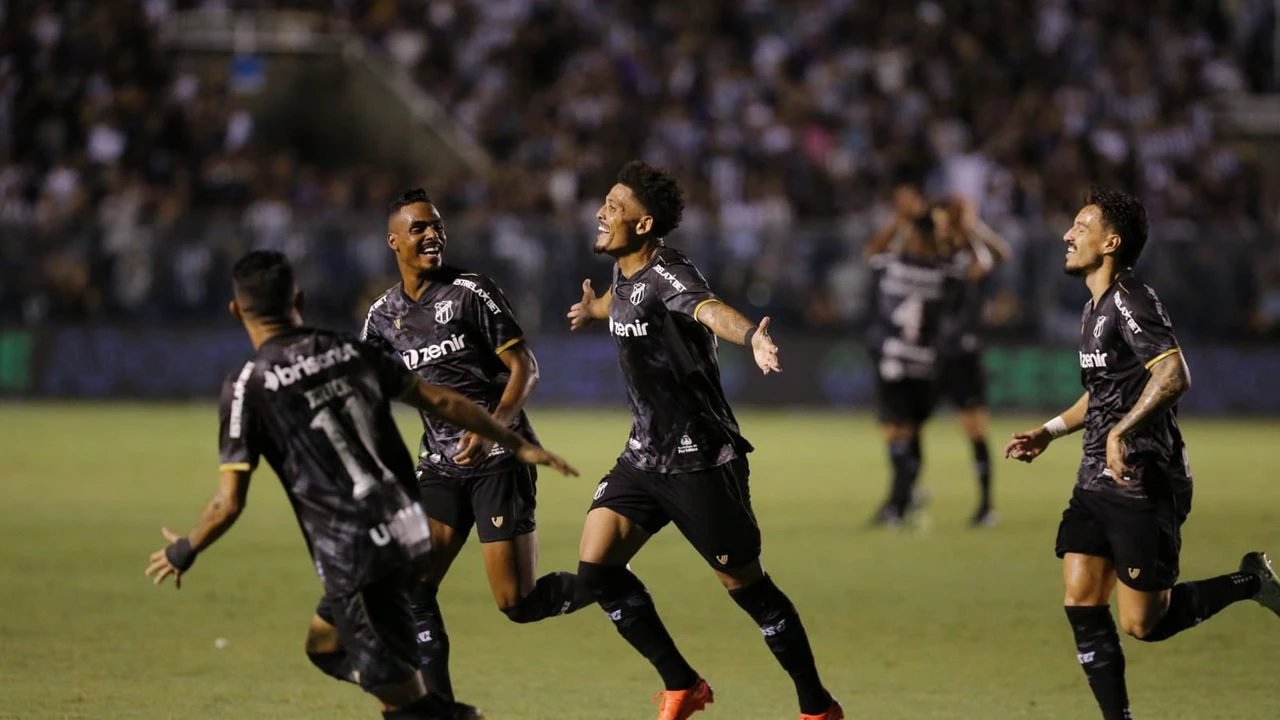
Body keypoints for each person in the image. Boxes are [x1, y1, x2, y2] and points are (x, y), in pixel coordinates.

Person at [144, 251, 578, 719]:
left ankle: (441, 709)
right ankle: (426, 698)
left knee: (395, 690)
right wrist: (515, 441)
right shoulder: (350, 350)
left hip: (356, 553)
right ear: (299, 299)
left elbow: (227, 503)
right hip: (410, 526)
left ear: (236, 311)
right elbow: (440, 399)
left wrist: (184, 549)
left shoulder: (248, 384)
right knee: (325, 644)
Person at [567, 161, 843, 720]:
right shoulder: (625, 273)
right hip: (644, 455)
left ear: (644, 226)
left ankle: (817, 706)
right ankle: (682, 683)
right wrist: (596, 309)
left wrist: (751, 338)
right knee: (596, 569)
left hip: (699, 457)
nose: (602, 212)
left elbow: (705, 307)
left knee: (747, 588)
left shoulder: (668, 271)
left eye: (615, 207)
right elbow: (626, 306)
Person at [1003, 188, 1280, 719]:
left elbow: (1173, 375)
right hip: (1095, 474)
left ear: (1111, 242)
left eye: (1080, 226)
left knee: (1143, 624)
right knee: (1081, 597)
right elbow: (1105, 390)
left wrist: (1122, 432)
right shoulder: (1092, 308)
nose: (1067, 234)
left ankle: (1251, 581)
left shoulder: (1132, 299)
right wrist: (1050, 430)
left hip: (1142, 476)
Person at [361, 189, 595, 714]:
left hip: (500, 460)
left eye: (437, 226)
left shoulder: (471, 291)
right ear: (393, 240)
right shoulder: (382, 316)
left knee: (516, 603)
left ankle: (605, 583)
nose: (432, 235)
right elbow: (365, 391)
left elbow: (526, 368)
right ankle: (437, 709)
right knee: (412, 588)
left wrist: (494, 429)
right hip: (439, 466)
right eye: (419, 228)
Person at [862, 200, 954, 526]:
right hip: (928, 365)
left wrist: (896, 222)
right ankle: (905, 498)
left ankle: (896, 505)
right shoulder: (943, 272)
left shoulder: (894, 264)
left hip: (895, 361)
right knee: (913, 432)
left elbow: (870, 253)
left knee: (894, 433)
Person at [935, 197, 1011, 527]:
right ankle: (905, 496)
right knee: (906, 423)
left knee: (974, 428)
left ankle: (985, 504)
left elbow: (998, 255)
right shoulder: (933, 253)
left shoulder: (969, 257)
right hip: (930, 350)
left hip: (962, 351)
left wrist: (974, 227)